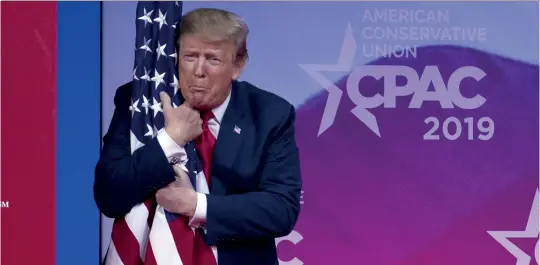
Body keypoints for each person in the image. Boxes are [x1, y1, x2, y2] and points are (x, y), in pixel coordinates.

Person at [94, 7, 302, 265]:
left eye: (213, 59)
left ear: (237, 66)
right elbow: (109, 196)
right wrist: (169, 140)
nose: (199, 71)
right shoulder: (140, 103)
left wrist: (196, 205)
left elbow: (281, 209)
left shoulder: (269, 114)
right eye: (190, 56)